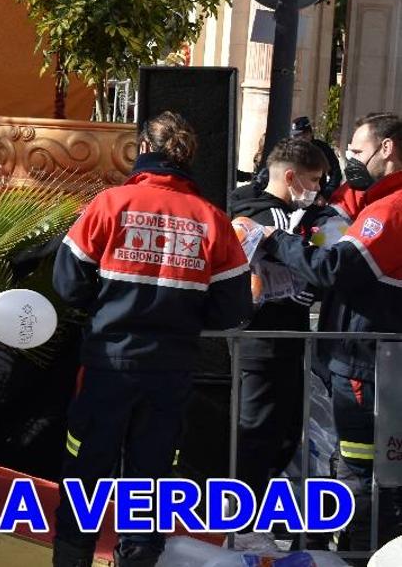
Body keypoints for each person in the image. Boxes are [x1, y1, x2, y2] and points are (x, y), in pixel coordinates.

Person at [52, 112, 251, 567]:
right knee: (152, 481)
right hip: (171, 371)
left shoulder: (110, 204)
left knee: (86, 474)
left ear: (144, 146)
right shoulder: (212, 219)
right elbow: (234, 308)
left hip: (107, 365)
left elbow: (67, 282)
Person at [261, 112, 402, 556]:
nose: (351, 161)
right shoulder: (378, 201)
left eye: (357, 151)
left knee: (362, 476)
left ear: (387, 149)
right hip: (373, 360)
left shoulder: (392, 209)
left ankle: (358, 557)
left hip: (367, 362)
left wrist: (275, 240)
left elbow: (339, 268)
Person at [227, 137, 333, 547]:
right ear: (290, 177)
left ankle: (267, 523)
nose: (318, 189)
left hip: (285, 339)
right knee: (257, 436)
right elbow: (313, 256)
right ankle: (241, 528)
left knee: (285, 434)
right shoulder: (272, 216)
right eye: (313, 179)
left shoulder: (290, 213)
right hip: (264, 340)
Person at [291, 115, 343, 200]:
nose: (297, 139)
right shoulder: (290, 149)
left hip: (315, 198)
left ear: (309, 133)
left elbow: (335, 173)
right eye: (295, 136)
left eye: (300, 135)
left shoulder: (322, 149)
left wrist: (325, 195)